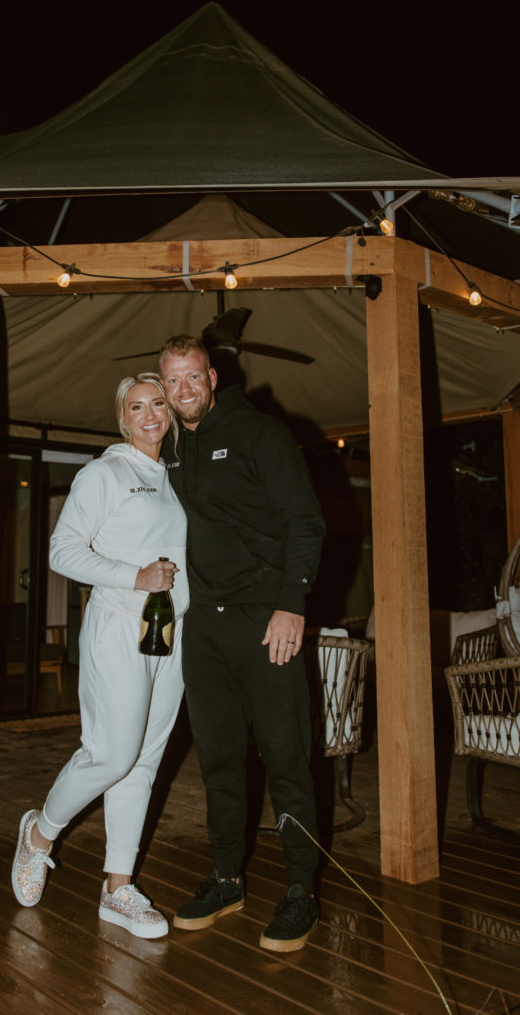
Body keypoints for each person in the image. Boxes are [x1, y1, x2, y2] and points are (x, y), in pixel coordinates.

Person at [158, 335, 325, 953]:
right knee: (220, 761)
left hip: (266, 620)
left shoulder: (262, 434)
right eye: (172, 382)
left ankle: (302, 891)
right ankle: (227, 879)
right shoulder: (172, 447)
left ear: (213, 379)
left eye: (192, 378)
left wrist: (292, 604)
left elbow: (305, 521)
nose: (183, 391)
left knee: (286, 759)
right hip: (205, 627)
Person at [11, 374, 188, 939]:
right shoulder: (106, 473)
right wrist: (133, 577)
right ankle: (40, 833)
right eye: (137, 407)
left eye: (158, 403)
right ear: (122, 418)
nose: (150, 414)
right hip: (119, 625)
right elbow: (62, 551)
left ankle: (119, 888)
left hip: (174, 634)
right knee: (111, 754)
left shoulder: (178, 477)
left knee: (144, 761)